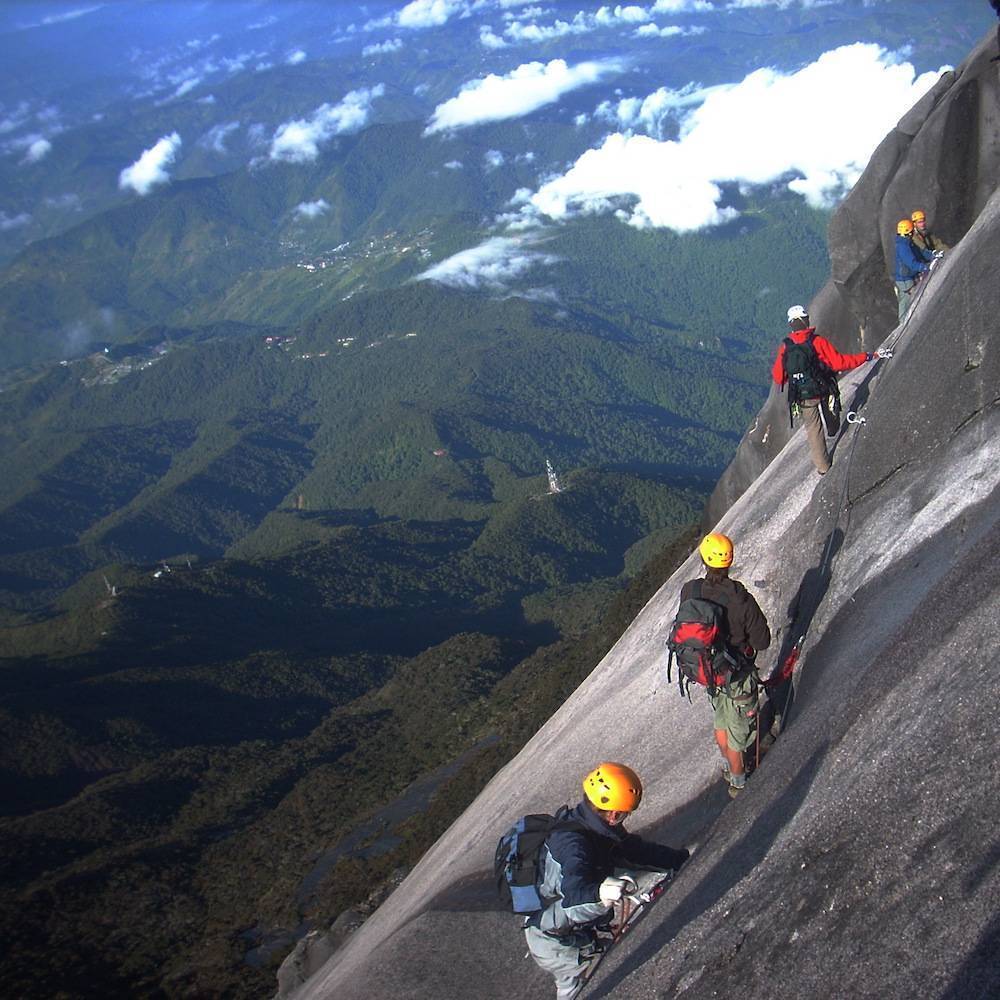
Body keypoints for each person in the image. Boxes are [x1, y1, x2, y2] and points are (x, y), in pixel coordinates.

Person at [524, 762, 689, 1000]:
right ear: (613, 814)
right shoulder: (573, 847)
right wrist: (601, 895)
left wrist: (677, 859)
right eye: (625, 814)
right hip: (552, 939)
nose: (625, 819)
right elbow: (573, 903)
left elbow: (634, 850)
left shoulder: (592, 827)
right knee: (573, 986)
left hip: (555, 924)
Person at [678, 534, 771, 798]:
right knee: (737, 735)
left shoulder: (690, 590)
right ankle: (739, 782)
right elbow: (762, 641)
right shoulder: (740, 598)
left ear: (704, 560)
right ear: (730, 560)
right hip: (737, 676)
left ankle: (732, 768)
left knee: (721, 722)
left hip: (708, 672)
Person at [771, 304, 878, 475]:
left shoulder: (786, 347)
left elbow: (778, 377)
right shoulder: (817, 341)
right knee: (831, 405)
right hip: (823, 388)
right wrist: (866, 357)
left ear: (791, 324)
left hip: (802, 395)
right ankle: (834, 427)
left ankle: (822, 467)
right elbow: (839, 363)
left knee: (813, 429)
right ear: (804, 321)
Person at [893, 218, 934, 322]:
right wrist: (924, 267)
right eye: (912, 231)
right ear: (909, 232)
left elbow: (920, 252)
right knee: (909, 301)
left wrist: (933, 255)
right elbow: (910, 263)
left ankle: (904, 323)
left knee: (905, 302)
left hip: (907, 277)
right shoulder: (903, 246)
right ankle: (904, 324)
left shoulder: (907, 242)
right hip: (905, 280)